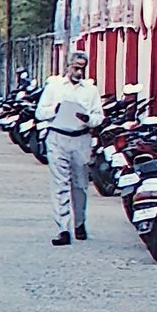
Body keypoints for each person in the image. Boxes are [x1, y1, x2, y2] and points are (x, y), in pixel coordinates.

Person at [37, 48, 103, 247]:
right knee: (60, 185)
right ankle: (63, 228)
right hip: (58, 137)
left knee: (80, 185)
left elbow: (99, 117)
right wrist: (55, 109)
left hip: (80, 139)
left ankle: (80, 223)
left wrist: (88, 119)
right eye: (75, 67)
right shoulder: (55, 87)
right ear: (67, 66)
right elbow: (40, 113)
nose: (79, 72)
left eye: (82, 69)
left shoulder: (90, 90)